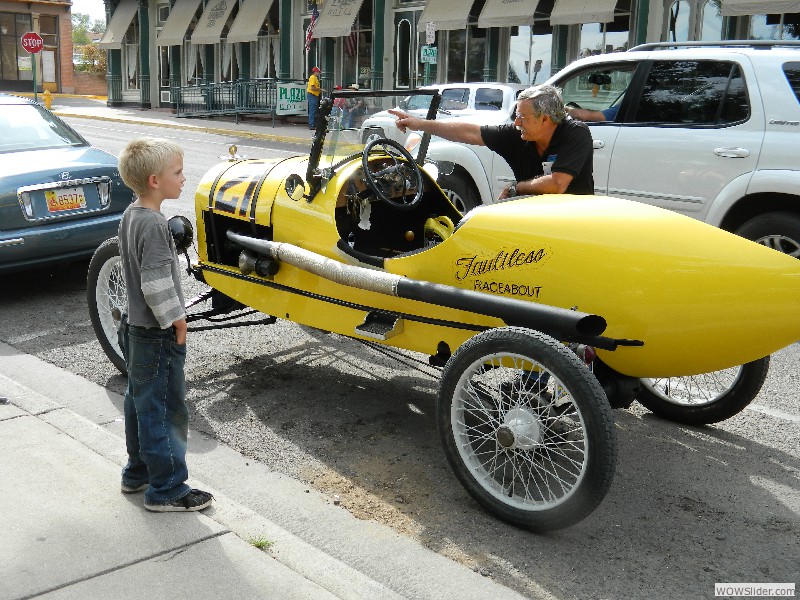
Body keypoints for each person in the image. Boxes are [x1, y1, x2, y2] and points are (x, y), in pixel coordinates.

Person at [116, 138, 214, 513]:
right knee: (166, 410)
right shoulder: (156, 225)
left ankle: (137, 472)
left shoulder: (132, 214)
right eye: (178, 172)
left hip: (134, 327)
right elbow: (156, 284)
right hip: (156, 334)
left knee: (139, 403)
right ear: (155, 180)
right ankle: (168, 489)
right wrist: (178, 321)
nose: (184, 178)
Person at [390, 84, 594, 199]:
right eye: (516, 115)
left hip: (573, 222)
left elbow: (557, 185)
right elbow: (470, 133)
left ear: (544, 119)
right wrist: (420, 124)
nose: (516, 122)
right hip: (535, 217)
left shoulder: (575, 133)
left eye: (522, 117)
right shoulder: (517, 134)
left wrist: (516, 188)